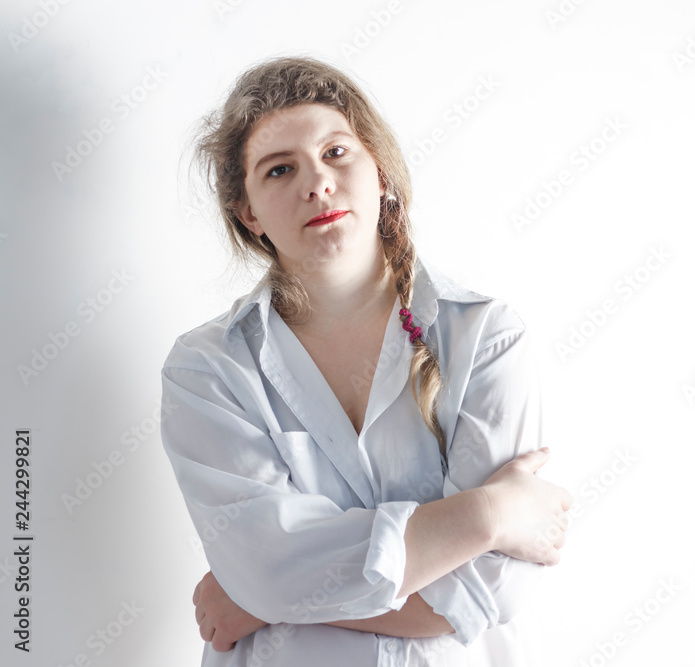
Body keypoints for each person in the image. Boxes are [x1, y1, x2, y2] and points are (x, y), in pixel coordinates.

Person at [159, 54, 573, 666]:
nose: (316, 183)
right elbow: (266, 570)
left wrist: (270, 599)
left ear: (379, 171)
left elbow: (492, 587)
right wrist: (487, 513)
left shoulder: (486, 337)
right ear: (249, 213)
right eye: (279, 169)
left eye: (336, 152)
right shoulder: (207, 369)